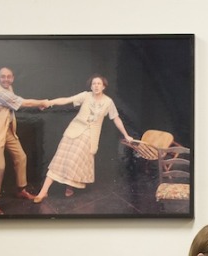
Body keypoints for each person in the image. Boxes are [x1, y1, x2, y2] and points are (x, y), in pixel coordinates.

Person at [33, 74, 133, 203]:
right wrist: (49, 103)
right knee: (60, 158)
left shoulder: (108, 102)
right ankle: (43, 192)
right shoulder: (85, 96)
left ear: (104, 86)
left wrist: (126, 135)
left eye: (99, 84)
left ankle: (70, 185)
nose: (96, 86)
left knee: (75, 160)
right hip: (73, 130)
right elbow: (66, 100)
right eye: (94, 84)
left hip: (89, 136)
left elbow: (116, 118)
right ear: (91, 86)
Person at [0, 67, 49, 216]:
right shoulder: (0, 93)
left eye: (9, 77)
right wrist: (42, 102)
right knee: (0, 166)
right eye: (3, 77)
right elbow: (23, 103)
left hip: (6, 129)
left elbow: (14, 105)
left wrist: (38, 104)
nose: (6, 79)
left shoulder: (8, 87)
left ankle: (20, 190)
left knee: (21, 157)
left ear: (13, 78)